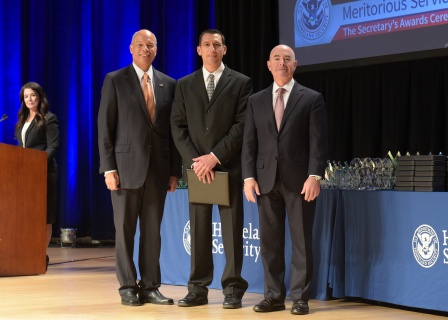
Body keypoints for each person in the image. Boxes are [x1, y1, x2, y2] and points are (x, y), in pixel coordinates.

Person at [97, 29, 181, 307]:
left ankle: (150, 286)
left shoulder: (169, 84)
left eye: (151, 45)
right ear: (131, 48)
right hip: (124, 170)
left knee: (152, 233)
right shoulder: (115, 80)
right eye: (141, 45)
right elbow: (105, 128)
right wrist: (108, 168)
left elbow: (173, 132)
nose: (146, 49)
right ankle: (127, 287)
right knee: (125, 231)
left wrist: (174, 171)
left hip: (158, 172)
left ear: (157, 50)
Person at [241, 44, 327, 315]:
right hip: (265, 182)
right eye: (276, 59)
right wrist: (248, 177)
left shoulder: (311, 98)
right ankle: (274, 296)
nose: (282, 63)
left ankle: (300, 297)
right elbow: (248, 144)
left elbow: (318, 143)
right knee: (270, 243)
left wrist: (315, 176)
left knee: (301, 242)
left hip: (300, 182)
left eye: (287, 59)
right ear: (268, 65)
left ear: (295, 64)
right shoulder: (255, 101)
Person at [170, 29, 251, 309]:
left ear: (224, 50)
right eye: (207, 44)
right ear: (198, 50)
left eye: (217, 44)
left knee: (231, 231)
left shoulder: (241, 83)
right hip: (198, 171)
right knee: (200, 230)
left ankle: (232, 289)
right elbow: (177, 126)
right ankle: (198, 289)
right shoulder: (185, 84)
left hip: (227, 168)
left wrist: (214, 157)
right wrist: (197, 160)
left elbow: (242, 127)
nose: (212, 49)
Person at [15, 82, 59, 272]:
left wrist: (38, 164)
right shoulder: (22, 121)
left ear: (39, 97)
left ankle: (41, 254)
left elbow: (53, 147)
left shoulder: (49, 118)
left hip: (44, 173)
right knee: (27, 215)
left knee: (44, 216)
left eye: (33, 95)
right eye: (26, 97)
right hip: (24, 175)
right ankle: (27, 253)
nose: (30, 99)